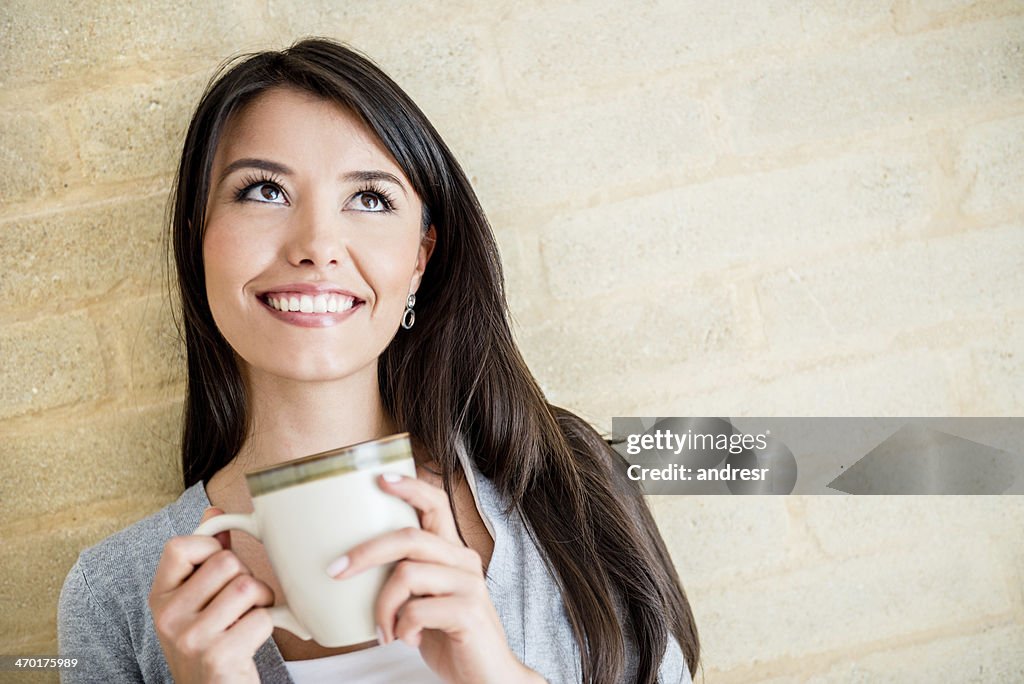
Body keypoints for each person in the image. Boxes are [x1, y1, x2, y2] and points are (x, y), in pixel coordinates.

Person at [57, 38, 700, 683]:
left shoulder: (563, 482)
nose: (316, 245)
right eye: (263, 191)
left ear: (420, 258)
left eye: (369, 199)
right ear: (200, 239)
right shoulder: (114, 595)